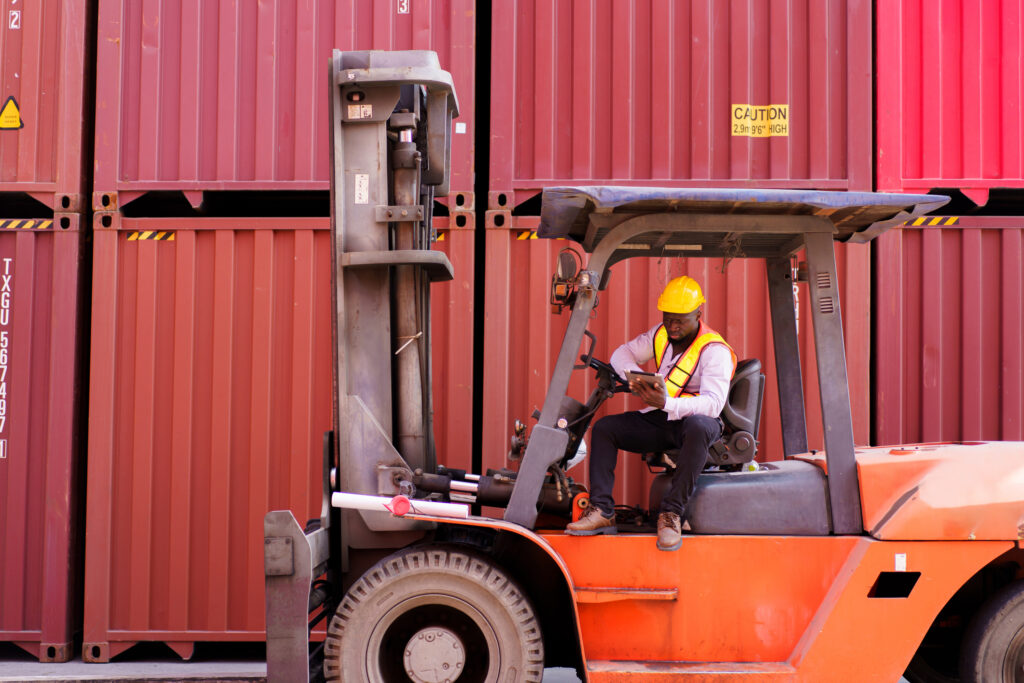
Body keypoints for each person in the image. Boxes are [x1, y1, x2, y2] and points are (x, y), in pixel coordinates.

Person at [565, 275, 736, 551]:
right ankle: (602, 511)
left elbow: (713, 404)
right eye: (668, 318)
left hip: (695, 425)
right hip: (663, 418)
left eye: (681, 319)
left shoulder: (714, 350)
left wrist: (666, 403)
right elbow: (623, 353)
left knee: (699, 426)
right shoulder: (661, 334)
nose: (673, 326)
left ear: (698, 315)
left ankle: (671, 515)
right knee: (605, 429)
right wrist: (634, 379)